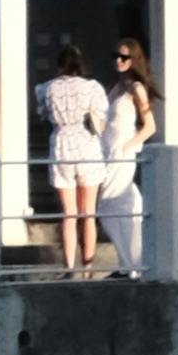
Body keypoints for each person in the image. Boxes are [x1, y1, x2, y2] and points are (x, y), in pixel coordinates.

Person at [96, 33, 156, 275]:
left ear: (134, 59)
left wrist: (127, 147)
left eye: (124, 57)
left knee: (107, 207)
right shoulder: (117, 86)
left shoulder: (136, 88)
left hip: (121, 154)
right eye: (116, 56)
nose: (119, 61)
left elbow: (150, 126)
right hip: (107, 153)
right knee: (121, 208)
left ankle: (129, 265)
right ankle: (127, 264)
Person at [40, 53, 105, 271]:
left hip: (60, 145)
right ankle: (87, 267)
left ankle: (69, 267)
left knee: (68, 213)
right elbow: (100, 121)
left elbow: (43, 115)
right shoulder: (92, 87)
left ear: (59, 66)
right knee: (88, 213)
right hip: (87, 145)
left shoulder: (46, 88)